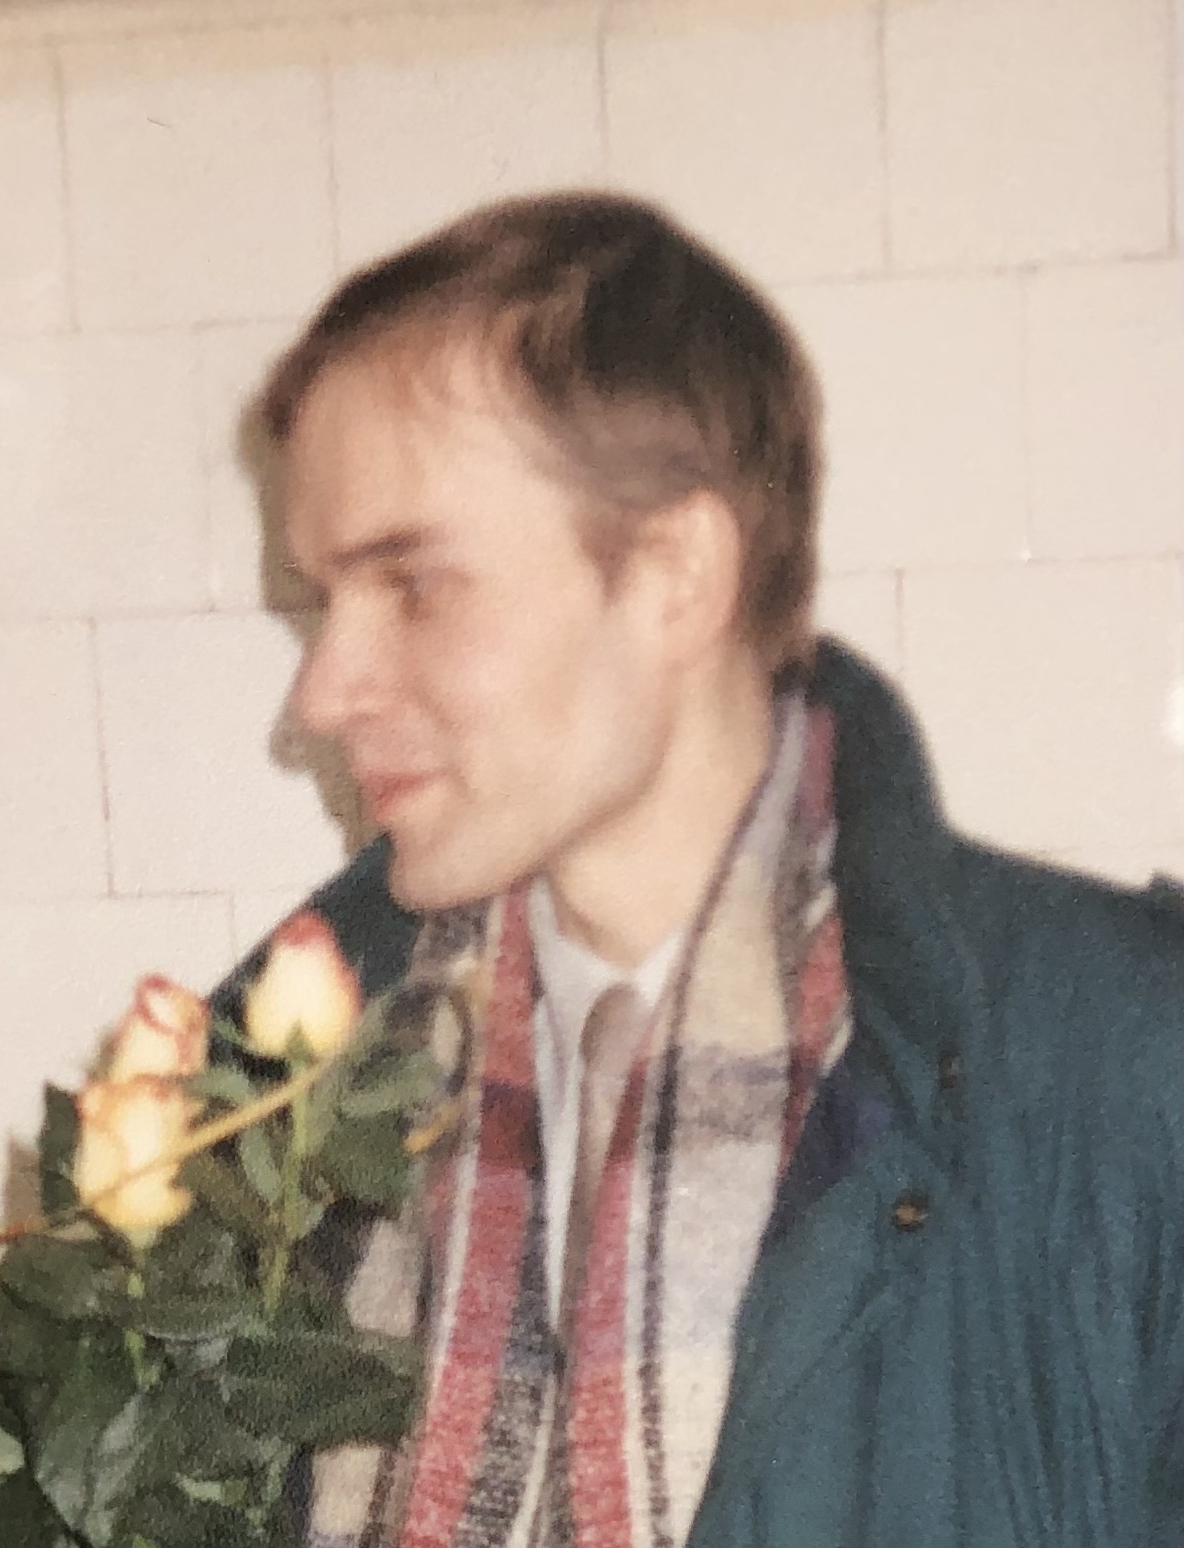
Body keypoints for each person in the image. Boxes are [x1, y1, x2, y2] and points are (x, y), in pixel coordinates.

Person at [217, 192, 1182, 1547]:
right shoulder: (260, 1096)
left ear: (675, 570)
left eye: (415, 586)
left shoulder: (1122, 1069)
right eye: (326, 602)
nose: (322, 695)